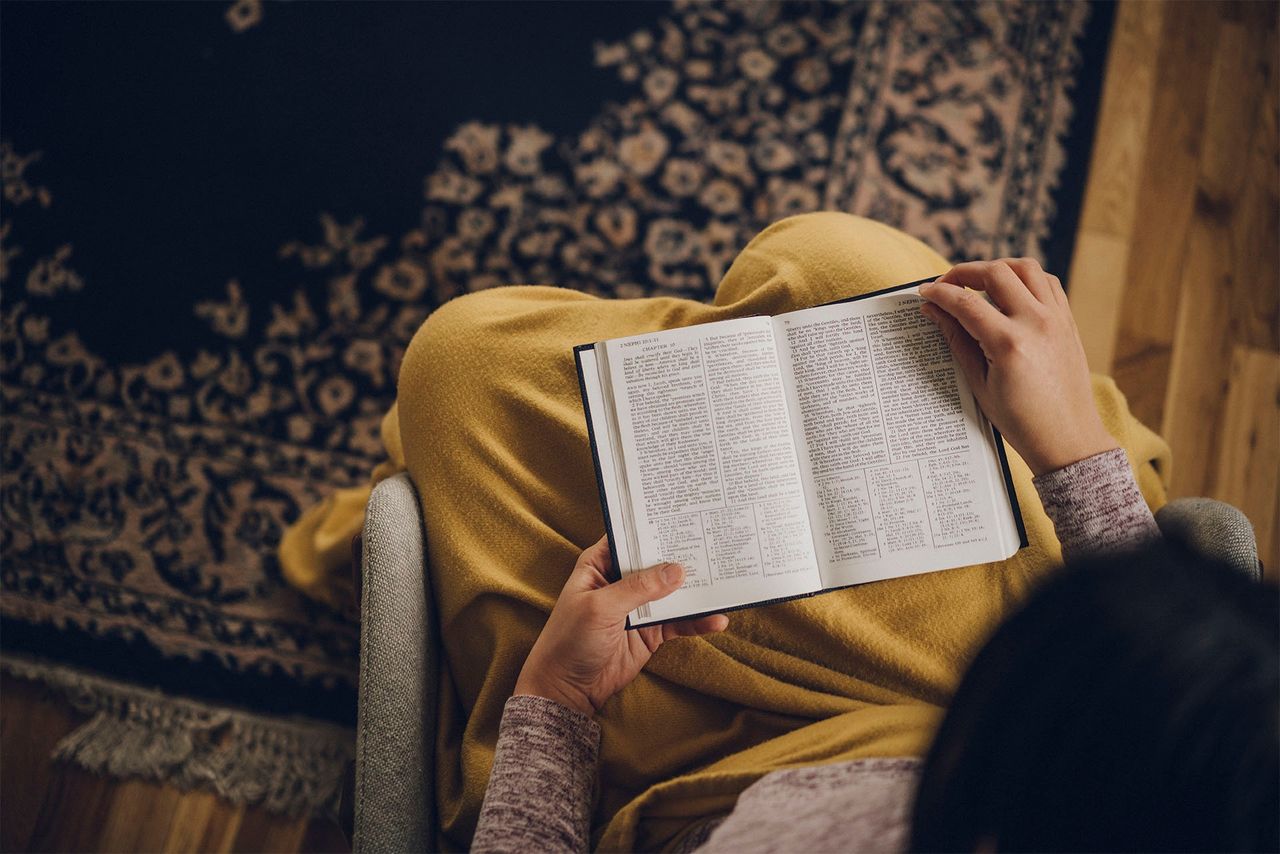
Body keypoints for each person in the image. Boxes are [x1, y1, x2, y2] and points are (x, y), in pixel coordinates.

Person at [469, 256, 1278, 852]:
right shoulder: (1204, 786)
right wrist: (1075, 451)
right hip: (914, 727)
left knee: (463, 361)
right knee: (843, 275)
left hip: (701, 786)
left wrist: (558, 698)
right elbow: (1145, 711)